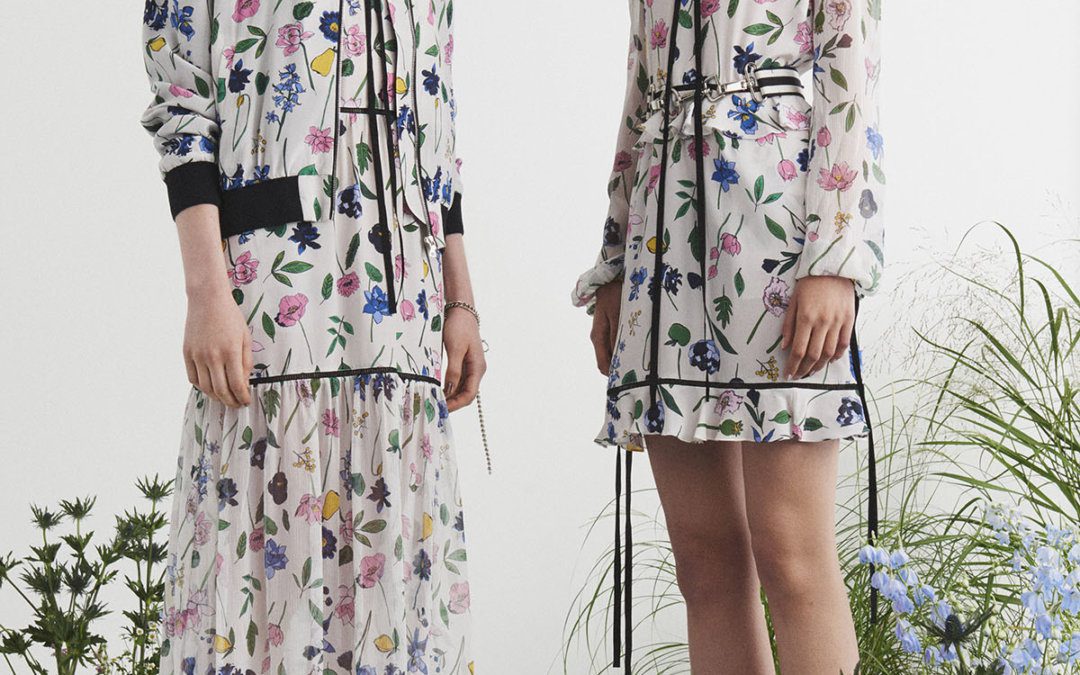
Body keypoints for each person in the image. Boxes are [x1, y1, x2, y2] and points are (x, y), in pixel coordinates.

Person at [139, 0, 483, 672]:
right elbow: (181, 103)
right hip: (273, 297)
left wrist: (460, 297)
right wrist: (206, 290)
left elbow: (437, 124)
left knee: (391, 594)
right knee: (270, 581)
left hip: (405, 311)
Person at [573, 0, 885, 673]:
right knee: (704, 561)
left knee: (792, 553)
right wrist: (615, 261)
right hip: (661, 241)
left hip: (776, 237)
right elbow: (640, 87)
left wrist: (835, 258)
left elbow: (850, 67)